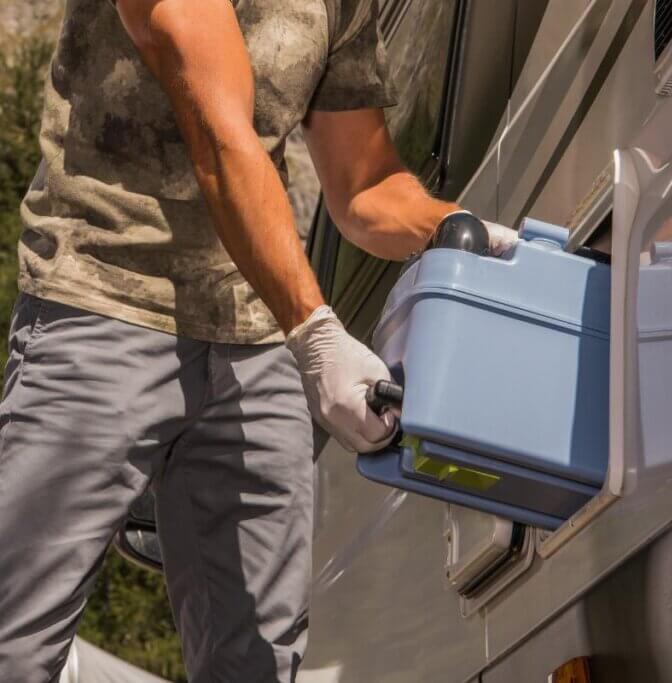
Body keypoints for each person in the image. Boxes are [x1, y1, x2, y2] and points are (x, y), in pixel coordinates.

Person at [0, 1, 515, 681]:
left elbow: (364, 186)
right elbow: (220, 134)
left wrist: (460, 230)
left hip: (254, 328)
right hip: (104, 297)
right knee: (15, 636)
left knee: (260, 662)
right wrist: (317, 330)